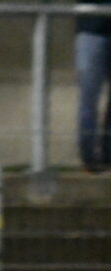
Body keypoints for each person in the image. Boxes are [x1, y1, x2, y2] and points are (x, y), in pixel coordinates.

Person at [75, 0, 111, 172]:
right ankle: (88, 157)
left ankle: (107, 154)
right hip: (91, 27)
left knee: (89, 97)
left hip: (91, 28)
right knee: (88, 97)